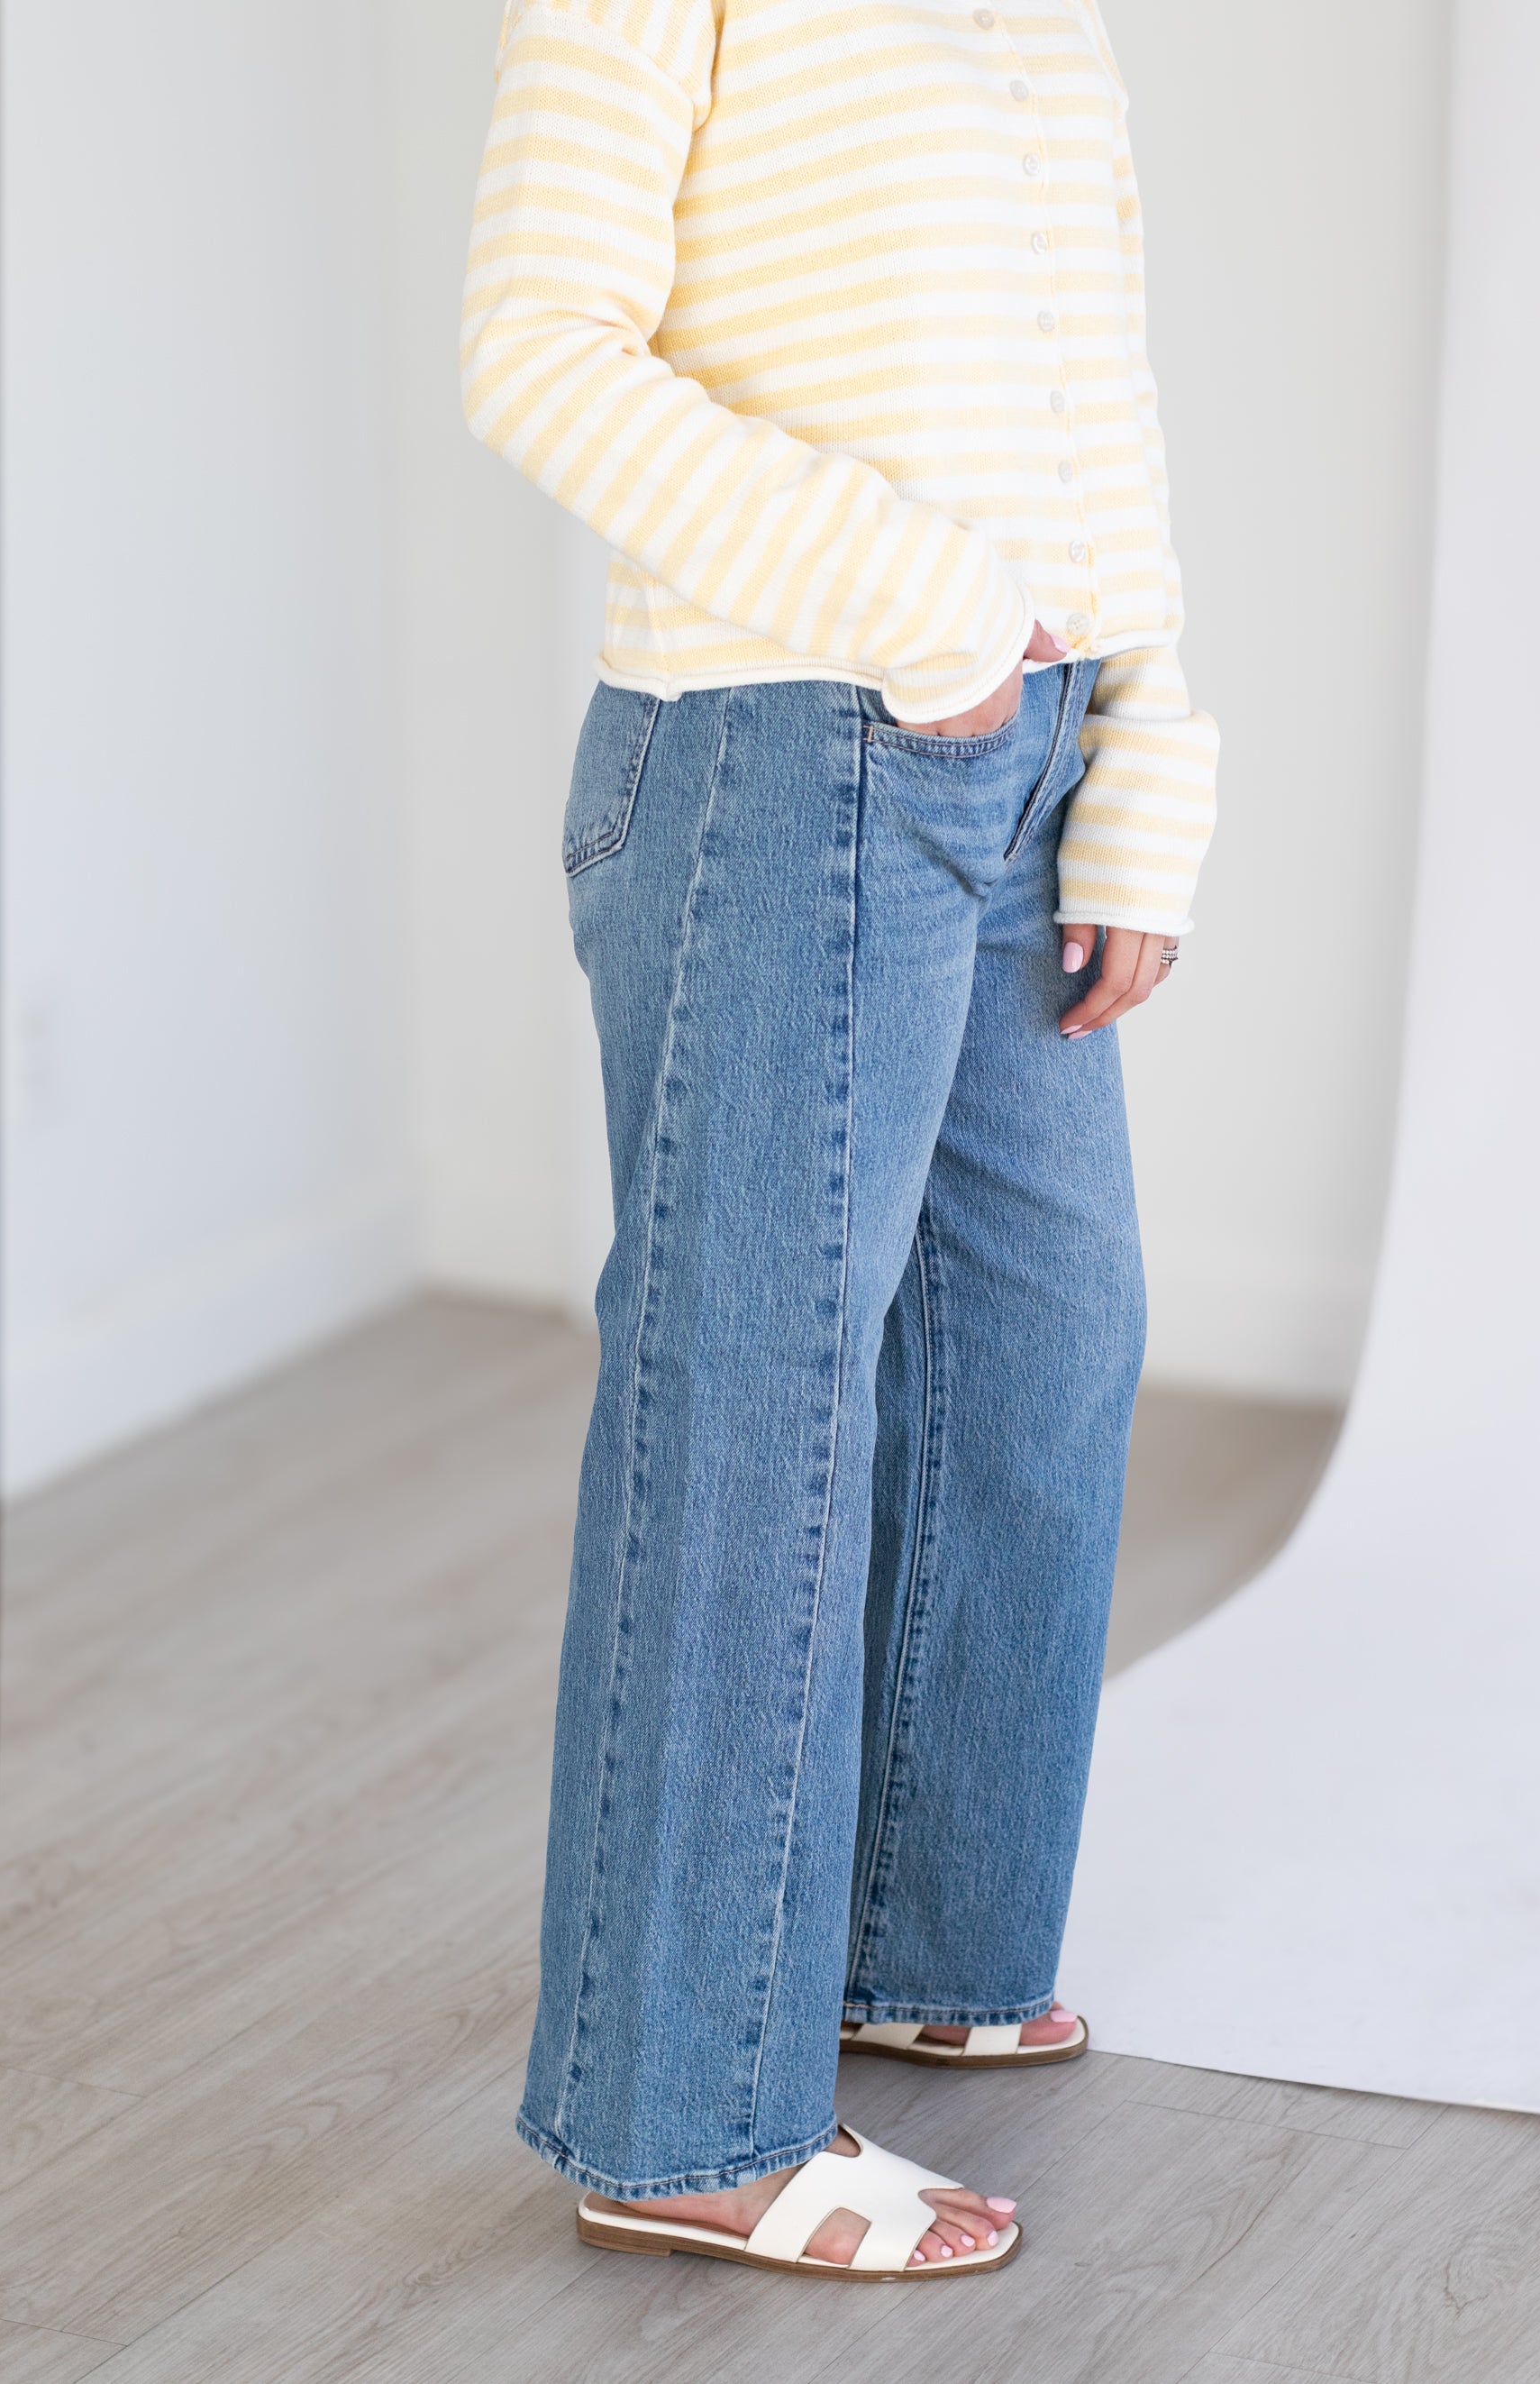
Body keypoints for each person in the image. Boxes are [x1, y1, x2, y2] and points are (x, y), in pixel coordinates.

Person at [462, 0, 1218, 2280]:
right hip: (781, 749)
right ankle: (679, 2106)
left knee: (1049, 1333)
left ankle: (921, 1943)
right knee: (759, 1411)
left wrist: (1143, 754)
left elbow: (1103, 397)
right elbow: (538, 348)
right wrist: (929, 613)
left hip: (1020, 744)